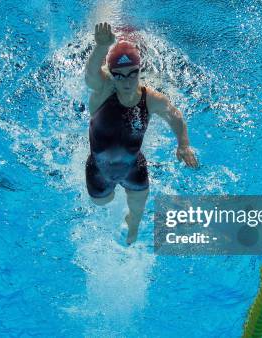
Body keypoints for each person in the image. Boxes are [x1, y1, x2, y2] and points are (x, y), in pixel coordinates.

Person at [84, 22, 198, 245]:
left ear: (139, 71)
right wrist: (101, 47)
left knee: (137, 210)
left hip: (133, 168)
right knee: (101, 202)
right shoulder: (103, 90)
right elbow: (90, 76)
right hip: (99, 170)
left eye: (132, 74)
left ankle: (131, 231)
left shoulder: (151, 98)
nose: (126, 81)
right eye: (119, 75)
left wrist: (183, 144)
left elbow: (175, 116)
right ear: (111, 74)